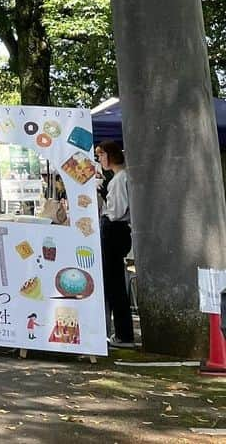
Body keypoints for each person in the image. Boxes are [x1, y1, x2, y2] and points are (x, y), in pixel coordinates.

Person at [99, 139, 135, 348]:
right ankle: (122, 333)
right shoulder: (117, 178)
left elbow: (117, 210)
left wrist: (103, 193)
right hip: (115, 229)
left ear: (110, 155)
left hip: (115, 229)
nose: (100, 159)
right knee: (114, 283)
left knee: (115, 284)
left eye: (102, 155)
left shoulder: (120, 179)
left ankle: (124, 334)